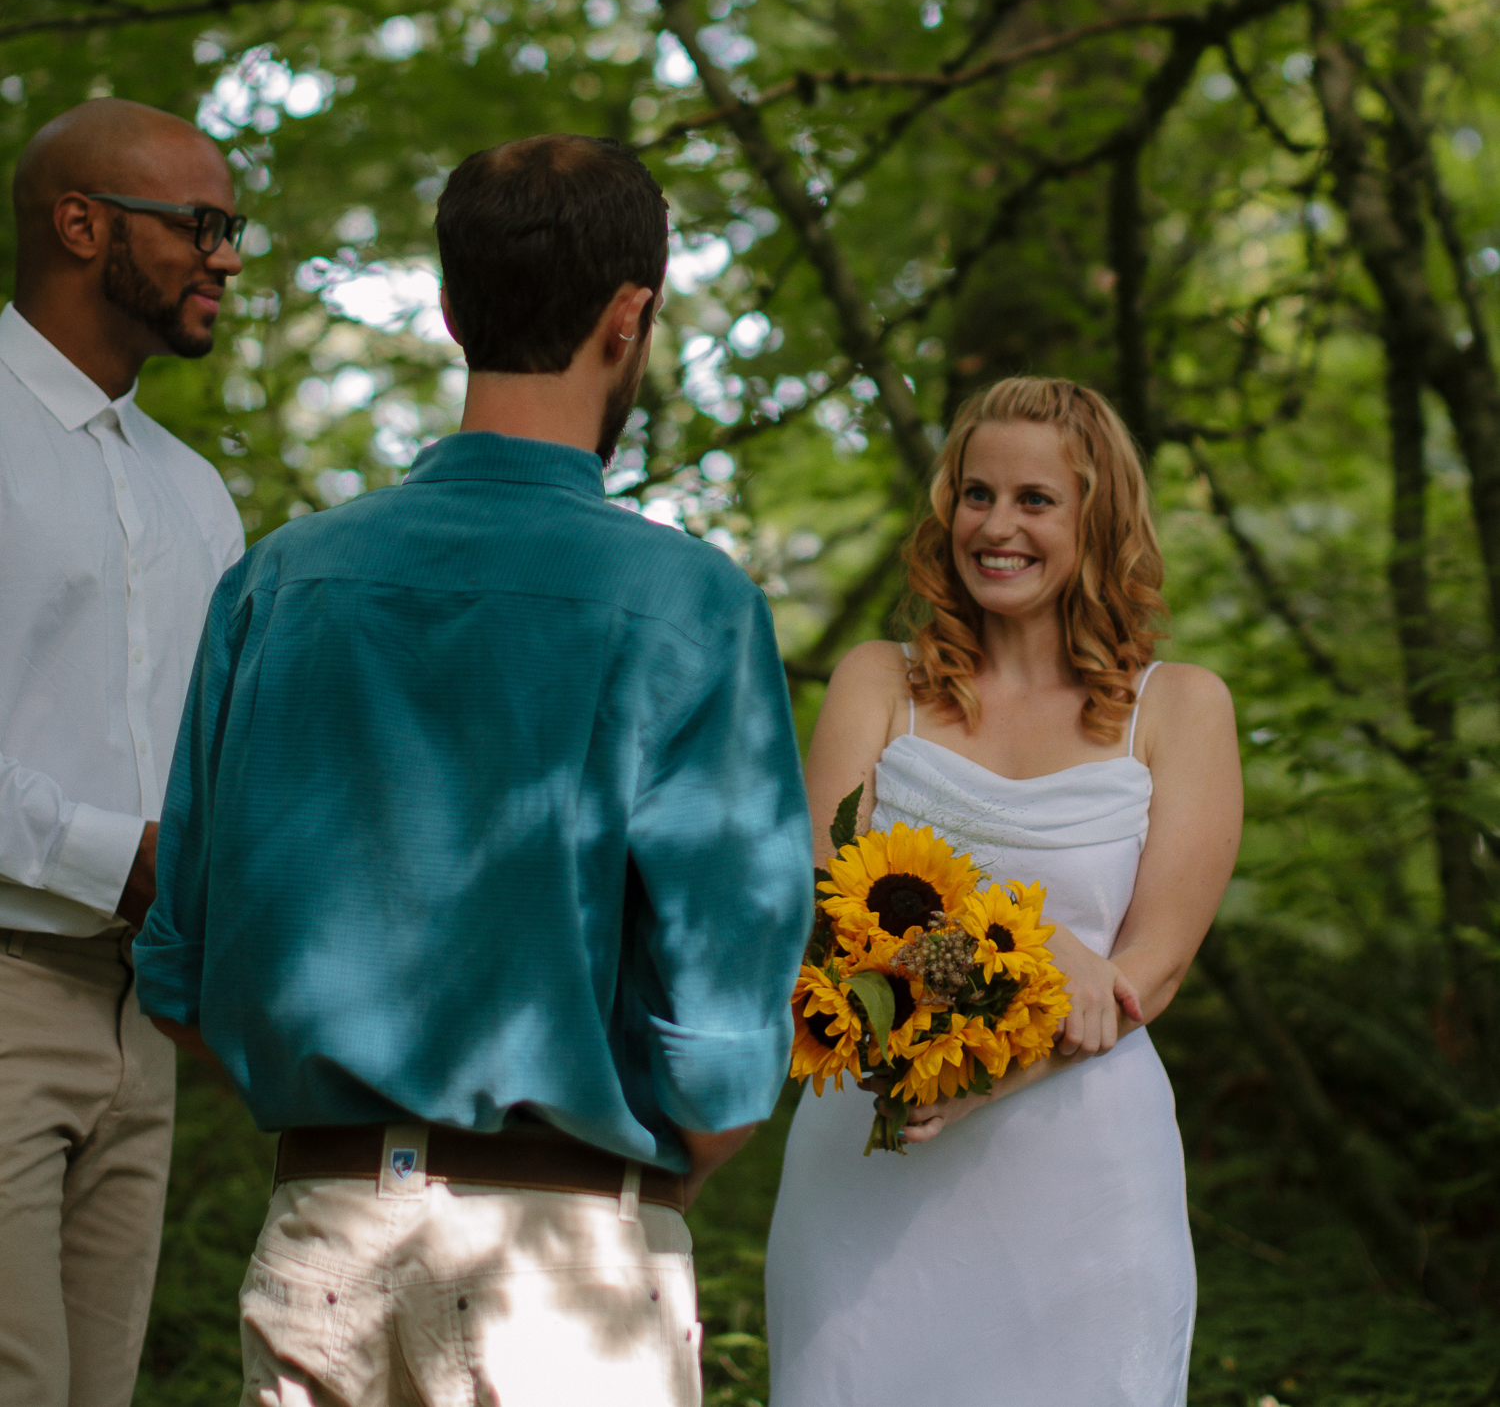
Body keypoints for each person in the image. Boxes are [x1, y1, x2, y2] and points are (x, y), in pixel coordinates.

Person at [136, 132, 813, 1407]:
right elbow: (727, 1033)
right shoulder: (689, 606)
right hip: (565, 1266)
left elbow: (180, 965)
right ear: (632, 316)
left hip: (320, 1244)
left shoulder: (280, 581)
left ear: (451, 311)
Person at [765, 376, 1242, 1407]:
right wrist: (1042, 956)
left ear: (1097, 519)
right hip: (872, 1155)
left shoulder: (1180, 709)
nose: (997, 526)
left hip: (1087, 1180)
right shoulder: (876, 681)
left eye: (1036, 501)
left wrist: (1004, 1068)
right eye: (977, 495)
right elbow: (826, 907)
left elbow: (1151, 967)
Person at [0, 97, 248, 1407]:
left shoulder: (194, 491)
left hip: (142, 1016)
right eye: (200, 224)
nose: (229, 256)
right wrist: (122, 855)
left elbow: (227, 757)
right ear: (82, 223)